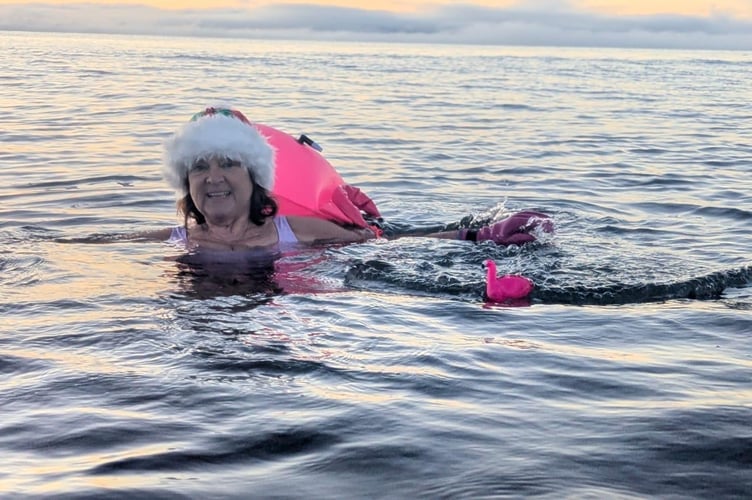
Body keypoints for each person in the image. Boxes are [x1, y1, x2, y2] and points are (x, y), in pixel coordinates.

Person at [142, 106, 552, 251]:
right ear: (187, 183)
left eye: (228, 163)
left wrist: (479, 237)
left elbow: (384, 246)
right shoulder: (173, 240)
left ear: (255, 178)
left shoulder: (293, 232)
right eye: (199, 167)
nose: (213, 177)